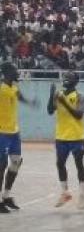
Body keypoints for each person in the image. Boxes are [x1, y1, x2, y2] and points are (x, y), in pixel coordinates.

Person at [0, 62, 38, 213]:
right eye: (15, 71)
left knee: (16, 163)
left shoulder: (14, 87)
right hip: (2, 133)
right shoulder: (1, 89)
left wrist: (30, 102)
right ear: (6, 73)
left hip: (14, 132)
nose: (17, 73)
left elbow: (19, 96)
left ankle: (6, 196)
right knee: (1, 166)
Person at [47, 71, 84, 209]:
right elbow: (50, 111)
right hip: (61, 136)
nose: (66, 78)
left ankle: (82, 195)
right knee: (59, 164)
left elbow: (78, 115)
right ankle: (65, 193)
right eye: (65, 76)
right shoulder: (58, 94)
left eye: (70, 77)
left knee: (79, 164)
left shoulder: (81, 97)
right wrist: (51, 96)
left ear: (76, 81)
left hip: (77, 136)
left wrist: (63, 101)